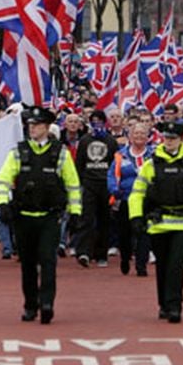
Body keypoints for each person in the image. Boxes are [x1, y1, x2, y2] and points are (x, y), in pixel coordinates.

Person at [0, 107, 82, 324]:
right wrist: (2, 203)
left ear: (46, 127)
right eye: (30, 125)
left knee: (48, 261)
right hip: (24, 217)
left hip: (49, 217)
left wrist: (76, 212)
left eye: (36, 125)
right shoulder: (19, 152)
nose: (31, 129)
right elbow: (4, 180)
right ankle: (30, 304)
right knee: (28, 264)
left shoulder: (59, 152)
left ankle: (47, 303)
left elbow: (72, 184)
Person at [128, 120, 183, 323]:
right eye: (166, 138)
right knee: (163, 265)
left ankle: (175, 306)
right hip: (158, 223)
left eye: (173, 138)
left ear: (181, 139)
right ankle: (164, 305)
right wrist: (136, 216)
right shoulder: (151, 164)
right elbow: (137, 193)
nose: (169, 142)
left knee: (176, 265)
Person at [109, 122, 154, 275]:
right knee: (124, 233)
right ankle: (125, 257)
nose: (139, 136)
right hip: (126, 199)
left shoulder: (153, 155)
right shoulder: (121, 155)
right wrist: (115, 190)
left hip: (146, 200)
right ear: (130, 136)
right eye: (136, 133)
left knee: (144, 233)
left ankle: (141, 265)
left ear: (148, 137)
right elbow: (112, 175)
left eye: (142, 133)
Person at [75, 110, 119, 267]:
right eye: (94, 121)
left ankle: (101, 254)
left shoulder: (110, 141)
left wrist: (114, 184)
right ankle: (84, 252)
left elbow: (115, 164)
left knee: (104, 220)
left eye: (100, 121)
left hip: (105, 185)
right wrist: (81, 183)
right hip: (89, 184)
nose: (97, 124)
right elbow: (79, 163)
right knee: (86, 219)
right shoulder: (85, 140)